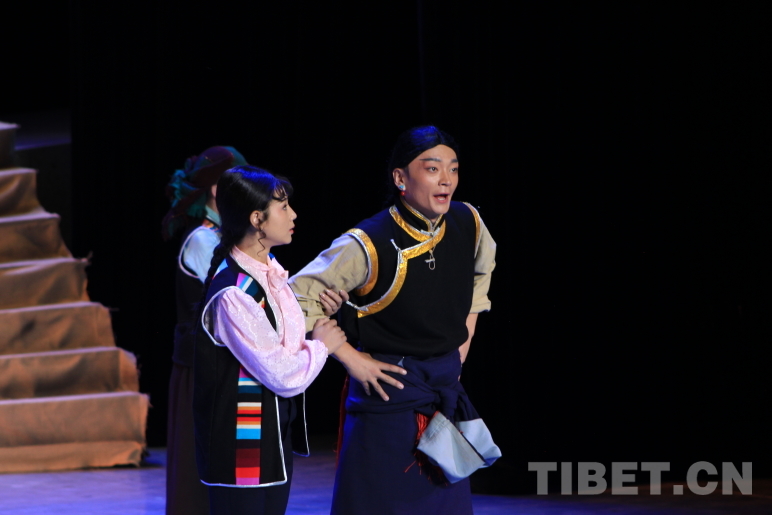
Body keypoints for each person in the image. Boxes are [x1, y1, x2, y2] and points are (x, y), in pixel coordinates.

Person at [289, 126, 500, 515]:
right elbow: (293, 299)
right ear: (401, 177)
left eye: (453, 168)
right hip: (388, 397)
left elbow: (481, 274)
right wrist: (348, 355)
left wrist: (462, 347)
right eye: (432, 168)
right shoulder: (367, 242)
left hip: (442, 394)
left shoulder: (467, 220)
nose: (447, 179)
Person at [192, 165, 347, 515]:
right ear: (257, 219)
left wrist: (320, 316)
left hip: (272, 436)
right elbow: (283, 373)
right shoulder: (234, 293)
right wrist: (323, 345)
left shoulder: (270, 271)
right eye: (284, 207)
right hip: (240, 444)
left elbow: (284, 342)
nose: (293, 214)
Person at [162, 145, 248, 515]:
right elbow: (230, 308)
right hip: (202, 369)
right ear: (217, 190)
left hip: (224, 365)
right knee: (199, 475)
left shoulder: (229, 239)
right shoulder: (203, 240)